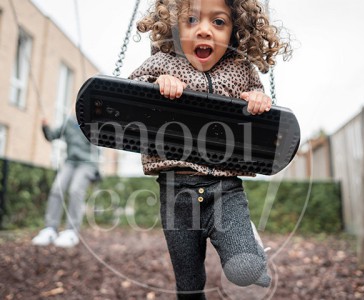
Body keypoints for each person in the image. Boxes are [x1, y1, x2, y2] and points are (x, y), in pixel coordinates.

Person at [129, 0, 290, 298]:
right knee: (188, 286)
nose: (204, 30)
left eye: (218, 22)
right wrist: (157, 82)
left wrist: (258, 99)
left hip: (225, 189)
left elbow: (257, 99)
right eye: (191, 20)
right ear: (175, 26)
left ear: (234, 31)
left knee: (245, 271)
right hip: (175, 192)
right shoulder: (164, 61)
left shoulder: (240, 68)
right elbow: (132, 90)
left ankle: (252, 253)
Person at [31, 116, 99, 248]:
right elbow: (51, 136)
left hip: (87, 163)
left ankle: (71, 232)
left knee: (75, 190)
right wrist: (45, 127)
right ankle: (50, 229)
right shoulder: (69, 122)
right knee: (57, 189)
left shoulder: (93, 122)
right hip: (70, 162)